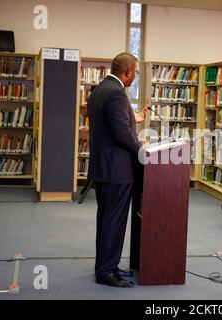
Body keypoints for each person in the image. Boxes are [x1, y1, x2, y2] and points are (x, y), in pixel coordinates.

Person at [88, 52, 146, 287]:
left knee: (105, 219)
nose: (135, 77)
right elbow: (123, 135)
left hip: (103, 169)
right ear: (127, 71)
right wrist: (143, 146)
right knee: (114, 221)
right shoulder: (116, 94)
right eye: (135, 73)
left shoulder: (99, 90)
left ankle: (106, 265)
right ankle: (106, 272)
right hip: (117, 170)